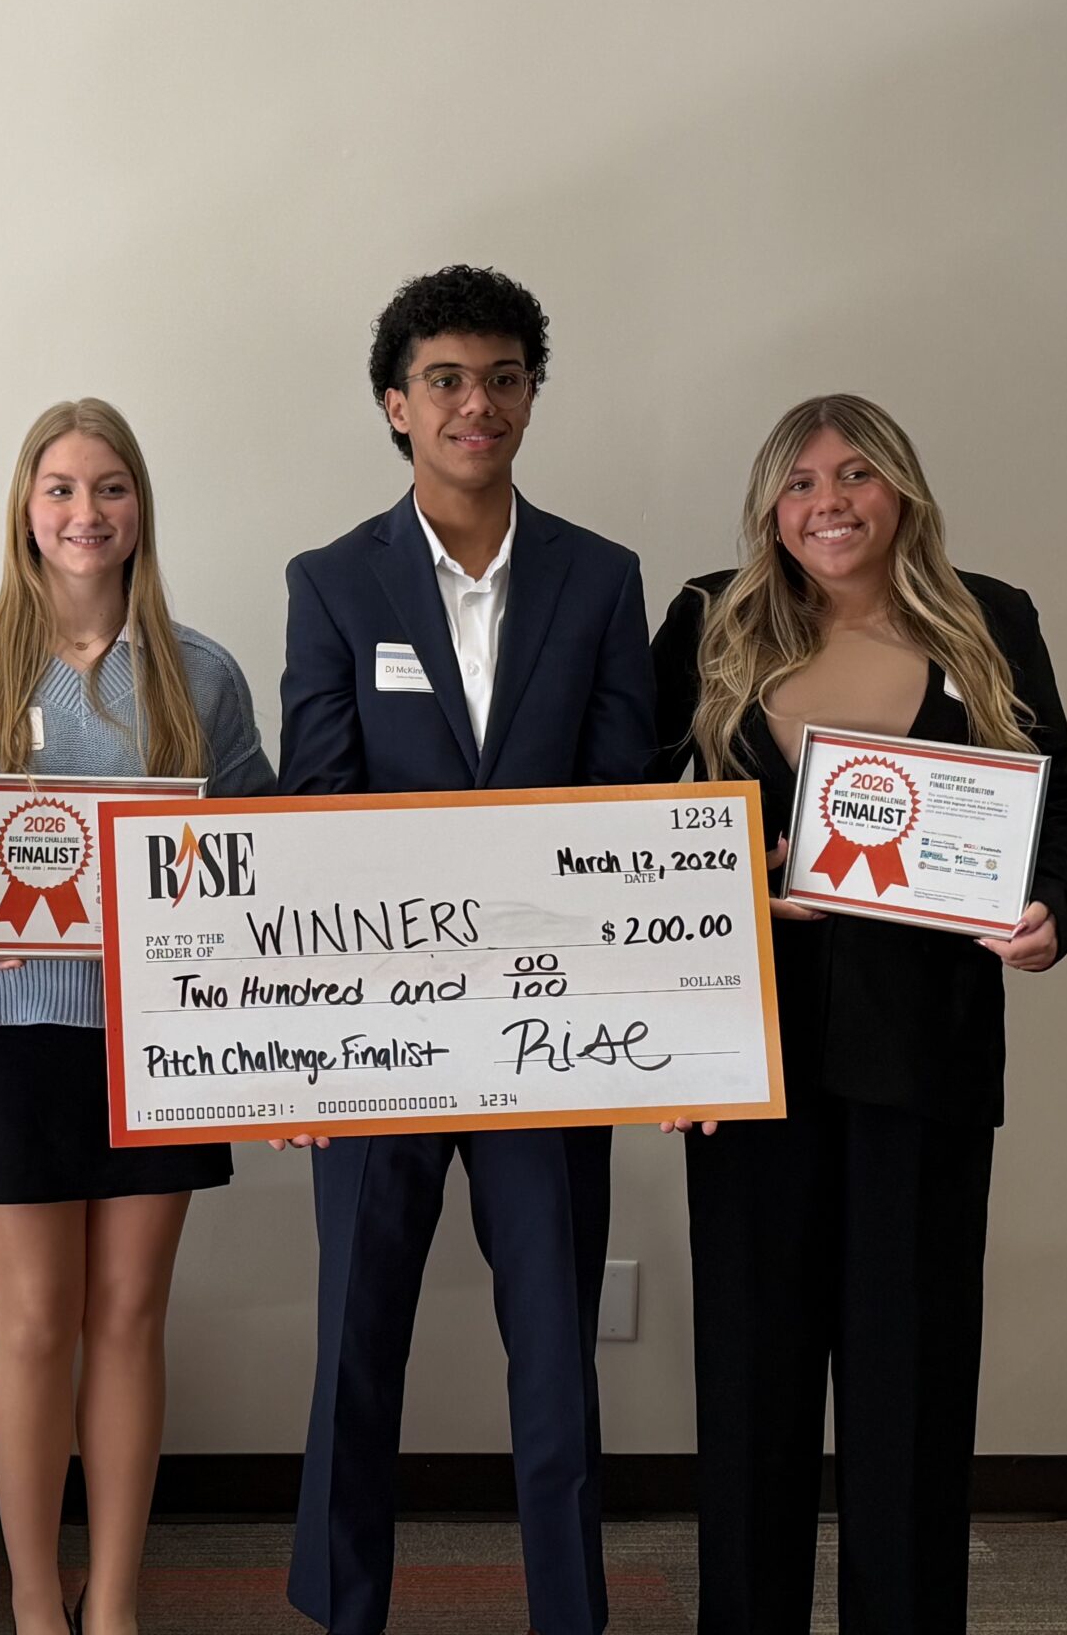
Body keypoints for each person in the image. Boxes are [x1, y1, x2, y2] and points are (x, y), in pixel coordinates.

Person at [647, 393, 1067, 1635]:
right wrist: (734, 887)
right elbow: (626, 822)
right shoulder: (708, 618)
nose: (828, 502)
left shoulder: (990, 618)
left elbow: (1063, 796)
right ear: (767, 509)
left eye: (854, 474)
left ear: (900, 488)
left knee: (910, 1389)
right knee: (753, 1384)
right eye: (798, 483)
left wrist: (1054, 908)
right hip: (746, 1056)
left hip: (926, 1056)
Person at [274, 266, 653, 1635]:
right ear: (397, 404)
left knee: (553, 1351)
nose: (474, 403)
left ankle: (571, 1616)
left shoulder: (601, 579)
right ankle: (342, 1612)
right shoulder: (332, 582)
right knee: (354, 1345)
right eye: (445, 380)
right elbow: (315, 810)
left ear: (530, 398)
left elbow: (624, 808)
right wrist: (301, 1050)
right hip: (379, 1035)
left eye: (501, 378)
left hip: (550, 1031)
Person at [0, 398, 274, 1635]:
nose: (84, 512)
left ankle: (117, 1599)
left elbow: (253, 831)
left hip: (162, 1038)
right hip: (10, 1028)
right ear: (25, 506)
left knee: (129, 1318)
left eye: (109, 487)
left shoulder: (201, 671)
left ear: (139, 507)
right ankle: (34, 1596)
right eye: (59, 488)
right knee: (36, 1323)